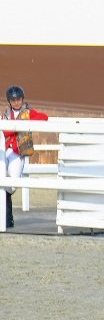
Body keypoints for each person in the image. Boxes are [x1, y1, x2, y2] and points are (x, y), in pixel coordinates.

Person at [2, 86, 48, 229]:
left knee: (12, 185)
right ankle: (6, 219)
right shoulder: (5, 114)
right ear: (9, 101)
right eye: (13, 100)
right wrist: (18, 126)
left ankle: (6, 214)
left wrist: (22, 123)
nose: (16, 102)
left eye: (18, 99)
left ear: (22, 99)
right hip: (4, 151)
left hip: (17, 151)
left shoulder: (28, 112)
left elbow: (44, 118)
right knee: (2, 181)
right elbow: (4, 132)